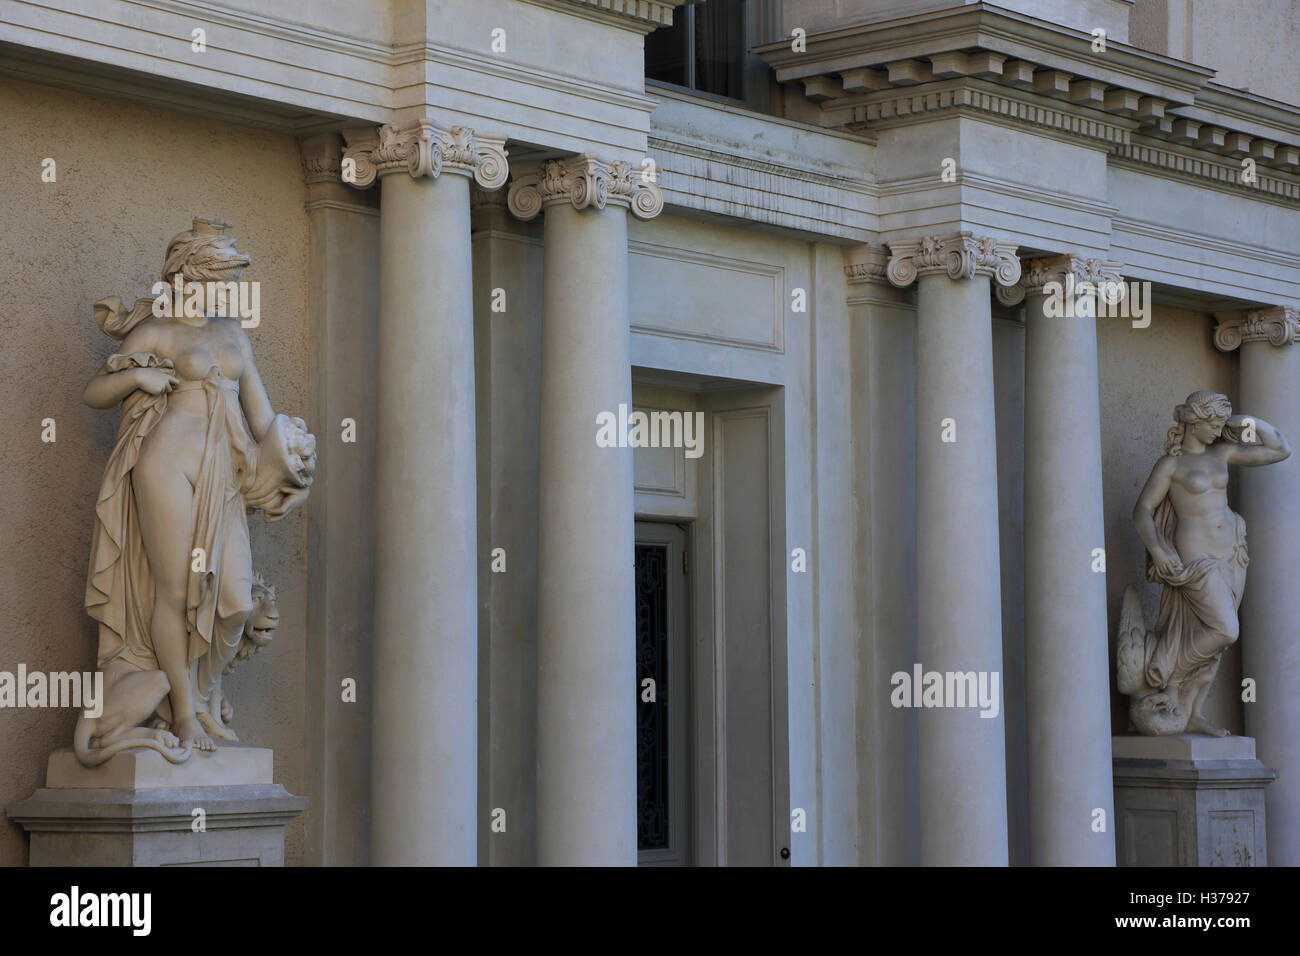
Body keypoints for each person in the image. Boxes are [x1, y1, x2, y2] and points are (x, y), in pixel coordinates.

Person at [83, 218, 313, 752]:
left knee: (232, 599)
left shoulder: (234, 336)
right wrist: (137, 376)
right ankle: (185, 713)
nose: (229, 290)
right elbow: (96, 391)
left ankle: (202, 697)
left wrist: (295, 464)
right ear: (188, 276)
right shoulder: (156, 331)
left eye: (231, 280)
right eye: (222, 278)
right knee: (176, 589)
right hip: (165, 463)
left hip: (222, 477)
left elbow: (263, 421)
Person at [1130, 390, 1290, 736]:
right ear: (1193, 421)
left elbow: (1280, 449)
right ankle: (1168, 675)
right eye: (1213, 422)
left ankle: (1192, 712)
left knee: (1217, 641)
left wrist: (1244, 421)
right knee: (1225, 629)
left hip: (1232, 554)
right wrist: (1158, 549)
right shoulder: (1170, 465)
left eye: (1221, 423)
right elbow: (1142, 511)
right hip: (1196, 558)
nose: (1218, 430)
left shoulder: (1223, 451)